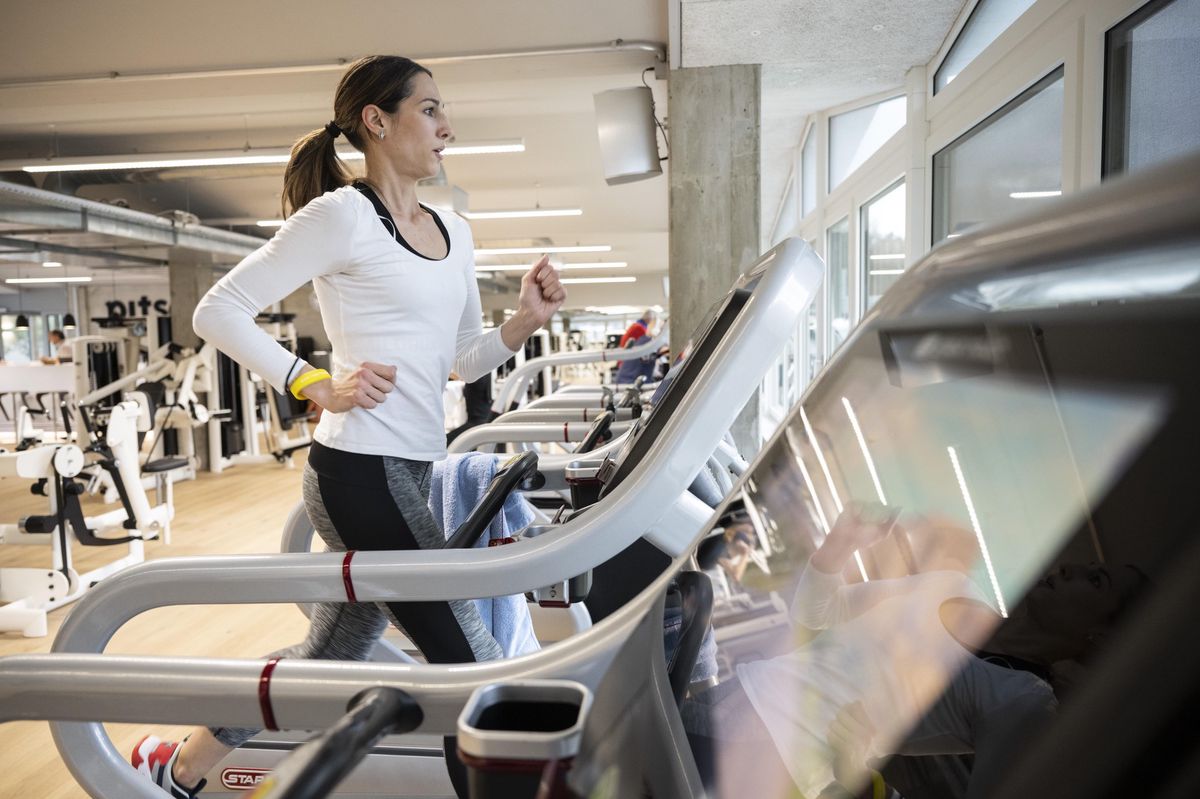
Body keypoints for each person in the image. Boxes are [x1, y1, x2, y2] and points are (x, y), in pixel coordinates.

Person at [130, 55, 564, 798]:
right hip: (359, 473)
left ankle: (176, 770)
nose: (448, 127)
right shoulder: (342, 217)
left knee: (327, 655)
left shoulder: (456, 231)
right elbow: (218, 310)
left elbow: (461, 359)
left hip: (411, 472)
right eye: (430, 109)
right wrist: (314, 384)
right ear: (376, 121)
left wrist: (524, 320)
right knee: (475, 668)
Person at [682, 503, 1148, 799]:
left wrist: (860, 775)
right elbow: (818, 613)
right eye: (1085, 565)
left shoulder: (1024, 699)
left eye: (1096, 580)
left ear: (1100, 635)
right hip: (742, 691)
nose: (1070, 570)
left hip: (779, 758)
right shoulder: (952, 585)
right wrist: (839, 548)